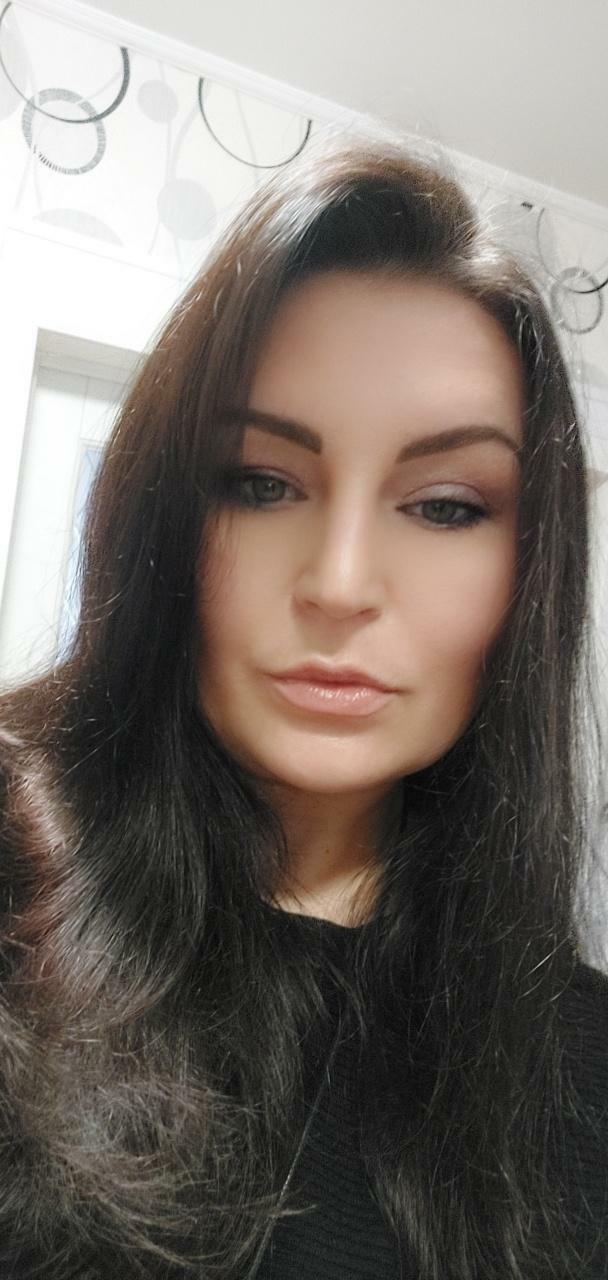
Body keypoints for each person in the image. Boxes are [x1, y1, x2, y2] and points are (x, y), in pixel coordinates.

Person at [0, 126, 607, 1280]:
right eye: (260, 482)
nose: (336, 583)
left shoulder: (577, 1066)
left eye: (443, 505)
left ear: (529, 573)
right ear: (164, 513)